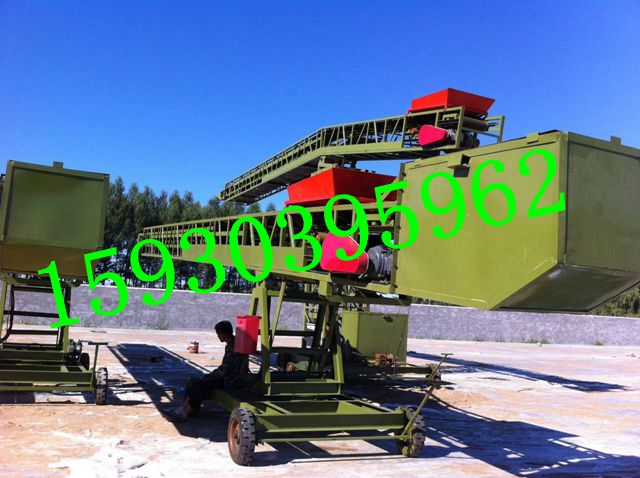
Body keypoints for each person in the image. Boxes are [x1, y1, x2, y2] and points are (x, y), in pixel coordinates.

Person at [163, 320, 248, 421]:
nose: (218, 336)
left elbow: (226, 369)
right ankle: (188, 409)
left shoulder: (233, 346)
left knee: (200, 385)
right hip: (228, 377)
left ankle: (184, 412)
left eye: (218, 334)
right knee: (195, 382)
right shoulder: (232, 344)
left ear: (223, 334)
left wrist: (211, 376)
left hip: (229, 380)